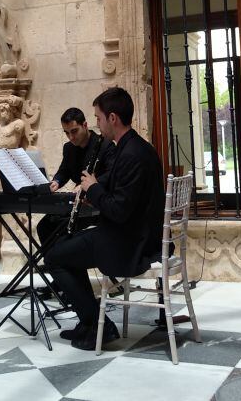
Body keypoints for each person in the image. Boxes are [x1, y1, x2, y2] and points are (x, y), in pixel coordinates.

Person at [45, 87, 165, 350]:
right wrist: (94, 190)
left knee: (55, 258)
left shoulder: (131, 153)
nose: (97, 124)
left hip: (131, 245)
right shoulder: (134, 147)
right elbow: (117, 187)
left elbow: (119, 210)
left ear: (112, 118)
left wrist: (95, 189)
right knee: (67, 247)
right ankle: (90, 322)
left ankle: (96, 324)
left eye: (98, 118)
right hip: (133, 235)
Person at [38, 107, 113, 247]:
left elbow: (112, 174)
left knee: (62, 231)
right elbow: (64, 170)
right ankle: (55, 264)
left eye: (74, 131)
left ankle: (62, 262)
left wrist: (89, 185)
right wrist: (57, 181)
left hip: (97, 203)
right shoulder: (69, 148)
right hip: (77, 202)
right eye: (67, 133)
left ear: (84, 125)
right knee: (43, 227)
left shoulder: (105, 145)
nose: (71, 137)